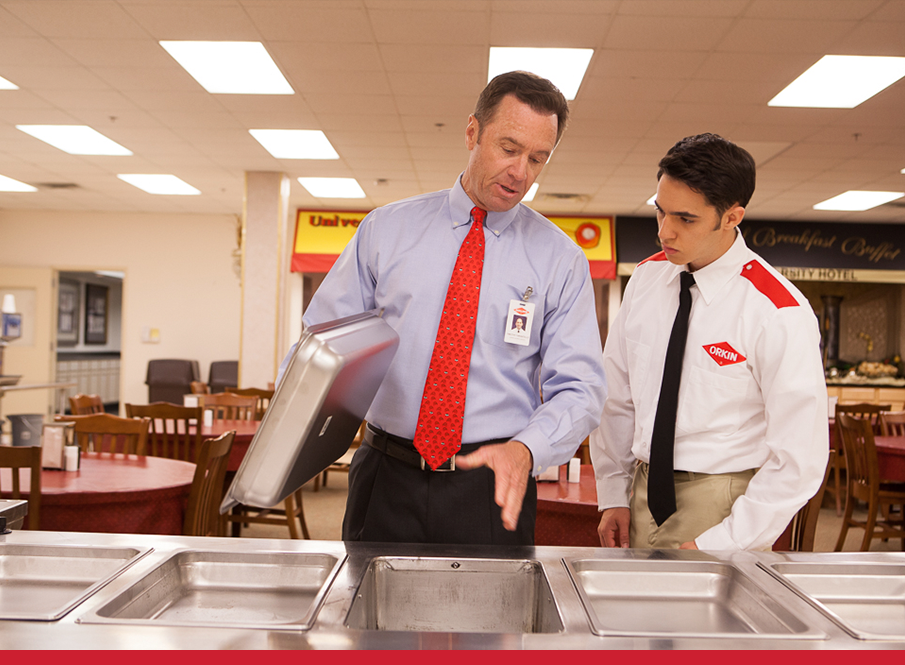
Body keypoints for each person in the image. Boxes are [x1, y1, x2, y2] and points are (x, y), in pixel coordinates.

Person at [290, 71, 606, 546]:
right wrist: (287, 439)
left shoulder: (560, 259)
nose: (520, 172)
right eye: (509, 148)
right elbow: (321, 343)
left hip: (493, 485)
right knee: (369, 596)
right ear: (472, 132)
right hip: (386, 476)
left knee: (493, 599)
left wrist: (526, 450)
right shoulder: (386, 230)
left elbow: (581, 388)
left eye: (537, 158)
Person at [590, 133, 828, 552]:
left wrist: (727, 540)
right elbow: (617, 398)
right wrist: (613, 492)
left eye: (686, 219)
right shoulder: (645, 280)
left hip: (722, 506)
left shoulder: (777, 310)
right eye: (660, 211)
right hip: (641, 493)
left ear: (732, 217)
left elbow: (799, 455)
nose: (665, 231)